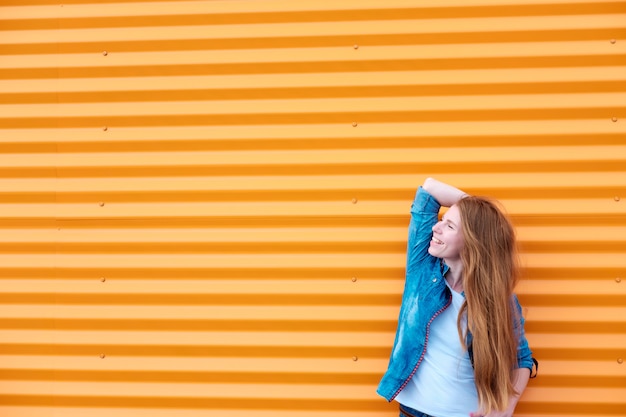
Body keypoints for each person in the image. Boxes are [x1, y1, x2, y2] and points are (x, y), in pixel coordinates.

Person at [377, 178, 536, 417]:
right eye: (442, 220)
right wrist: (475, 212)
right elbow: (429, 189)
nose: (436, 227)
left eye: (449, 226)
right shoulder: (422, 268)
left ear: (473, 242)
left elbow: (521, 358)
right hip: (411, 413)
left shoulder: (500, 300)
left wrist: (508, 405)